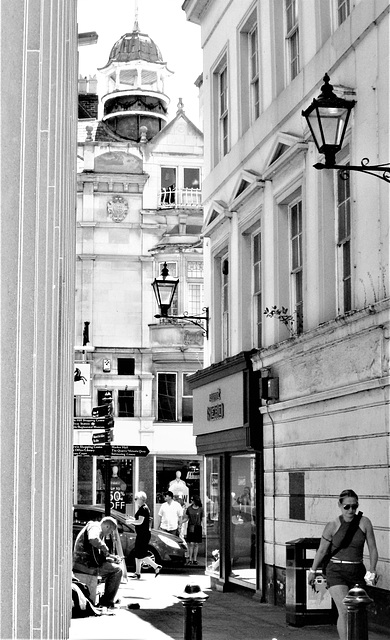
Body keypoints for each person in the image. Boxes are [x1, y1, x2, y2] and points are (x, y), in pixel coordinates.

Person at [307, 489, 378, 640]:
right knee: (345, 610)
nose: (351, 510)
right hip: (336, 570)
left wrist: (372, 570)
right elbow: (321, 551)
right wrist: (312, 571)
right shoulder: (332, 525)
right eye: (347, 507)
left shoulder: (364, 522)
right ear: (340, 505)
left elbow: (372, 547)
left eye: (354, 506)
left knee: (358, 611)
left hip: (357, 570)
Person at [73, 516, 122, 609]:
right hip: (85, 564)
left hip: (87, 563)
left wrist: (109, 558)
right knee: (117, 571)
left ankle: (105, 599)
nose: (110, 534)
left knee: (113, 568)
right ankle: (107, 601)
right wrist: (104, 547)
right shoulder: (95, 527)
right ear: (107, 526)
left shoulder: (97, 530)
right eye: (111, 531)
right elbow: (93, 539)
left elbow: (96, 554)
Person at [126, 491, 162, 579]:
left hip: (143, 534)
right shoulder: (143, 508)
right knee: (138, 553)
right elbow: (140, 520)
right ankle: (137, 573)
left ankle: (156, 566)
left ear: (141, 500)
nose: (135, 501)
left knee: (140, 554)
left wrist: (131, 522)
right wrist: (133, 519)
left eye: (136, 499)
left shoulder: (143, 509)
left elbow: (140, 521)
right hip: (142, 534)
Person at [183, 495, 205, 565]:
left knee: (196, 544)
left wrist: (204, 527)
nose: (191, 501)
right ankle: (190, 559)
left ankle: (195, 559)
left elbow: (203, 518)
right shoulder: (189, 508)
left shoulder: (201, 509)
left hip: (198, 526)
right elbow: (186, 518)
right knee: (191, 543)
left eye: (192, 500)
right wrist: (181, 521)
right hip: (191, 526)